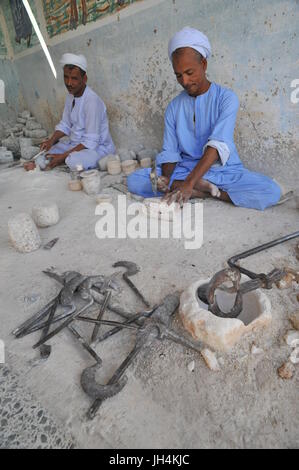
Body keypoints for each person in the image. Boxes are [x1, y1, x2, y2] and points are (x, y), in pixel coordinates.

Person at [127, 27, 281, 210]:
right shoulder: (173, 107)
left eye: (189, 73)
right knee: (135, 180)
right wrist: (167, 179)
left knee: (270, 190)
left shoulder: (226, 98)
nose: (184, 81)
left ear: (204, 64)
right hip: (184, 170)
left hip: (221, 170)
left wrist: (188, 183)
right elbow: (170, 151)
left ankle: (203, 190)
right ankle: (200, 189)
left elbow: (217, 146)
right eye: (178, 75)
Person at [24, 53, 115, 172]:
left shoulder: (91, 101)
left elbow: (90, 142)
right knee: (47, 153)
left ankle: (62, 160)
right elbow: (65, 125)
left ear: (84, 78)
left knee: (73, 160)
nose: (69, 83)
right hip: (75, 144)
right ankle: (55, 159)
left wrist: (63, 157)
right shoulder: (70, 96)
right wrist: (51, 141)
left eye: (74, 78)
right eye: (66, 77)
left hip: (97, 148)